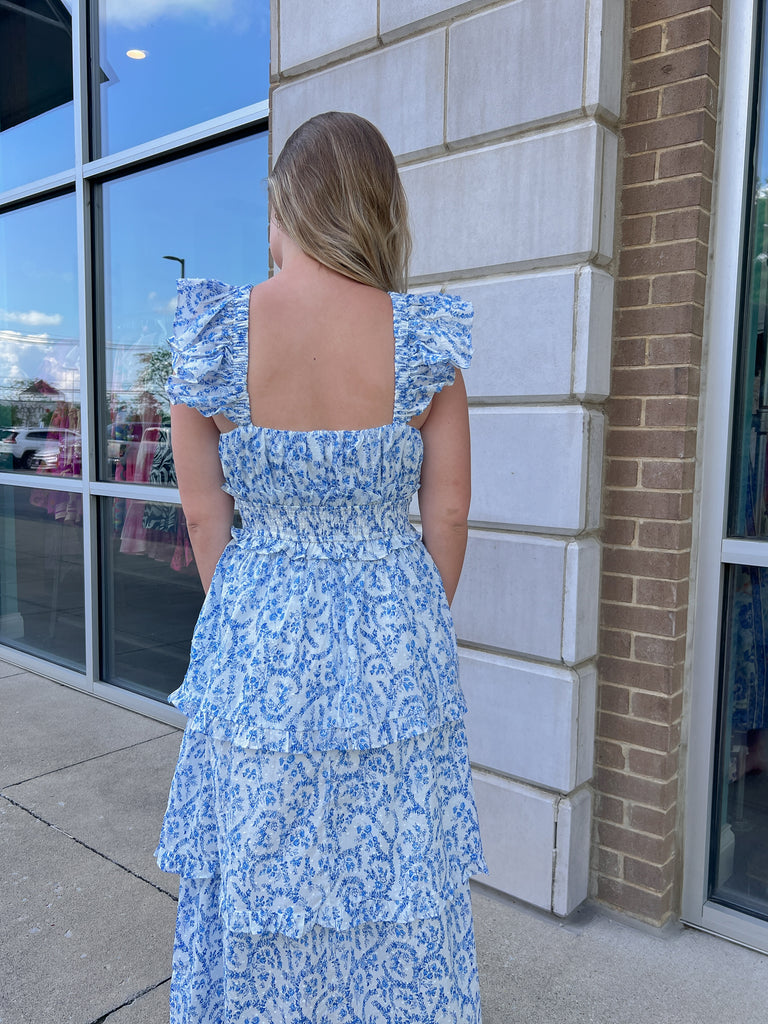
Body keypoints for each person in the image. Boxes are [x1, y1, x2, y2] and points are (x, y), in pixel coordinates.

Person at [155, 110, 487, 1024]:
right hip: (395, 636)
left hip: (256, 630)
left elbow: (201, 510)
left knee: (260, 858)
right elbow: (449, 511)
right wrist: (405, 613)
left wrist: (254, 605)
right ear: (379, 210)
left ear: (287, 209)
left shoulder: (215, 332)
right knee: (392, 870)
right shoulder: (422, 337)